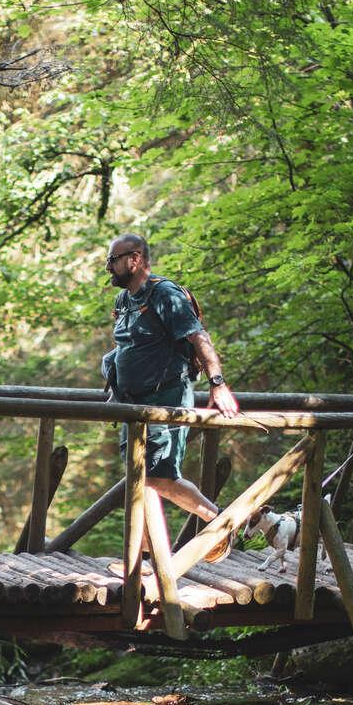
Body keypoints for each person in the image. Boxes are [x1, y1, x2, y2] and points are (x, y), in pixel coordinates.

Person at [102, 233, 240, 560]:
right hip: (133, 405)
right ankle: (148, 561)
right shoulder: (124, 301)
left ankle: (218, 521)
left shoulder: (165, 294)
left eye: (113, 260)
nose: (109, 267)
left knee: (159, 477)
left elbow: (198, 337)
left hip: (167, 398)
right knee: (140, 479)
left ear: (134, 260)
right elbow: (129, 348)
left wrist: (217, 383)